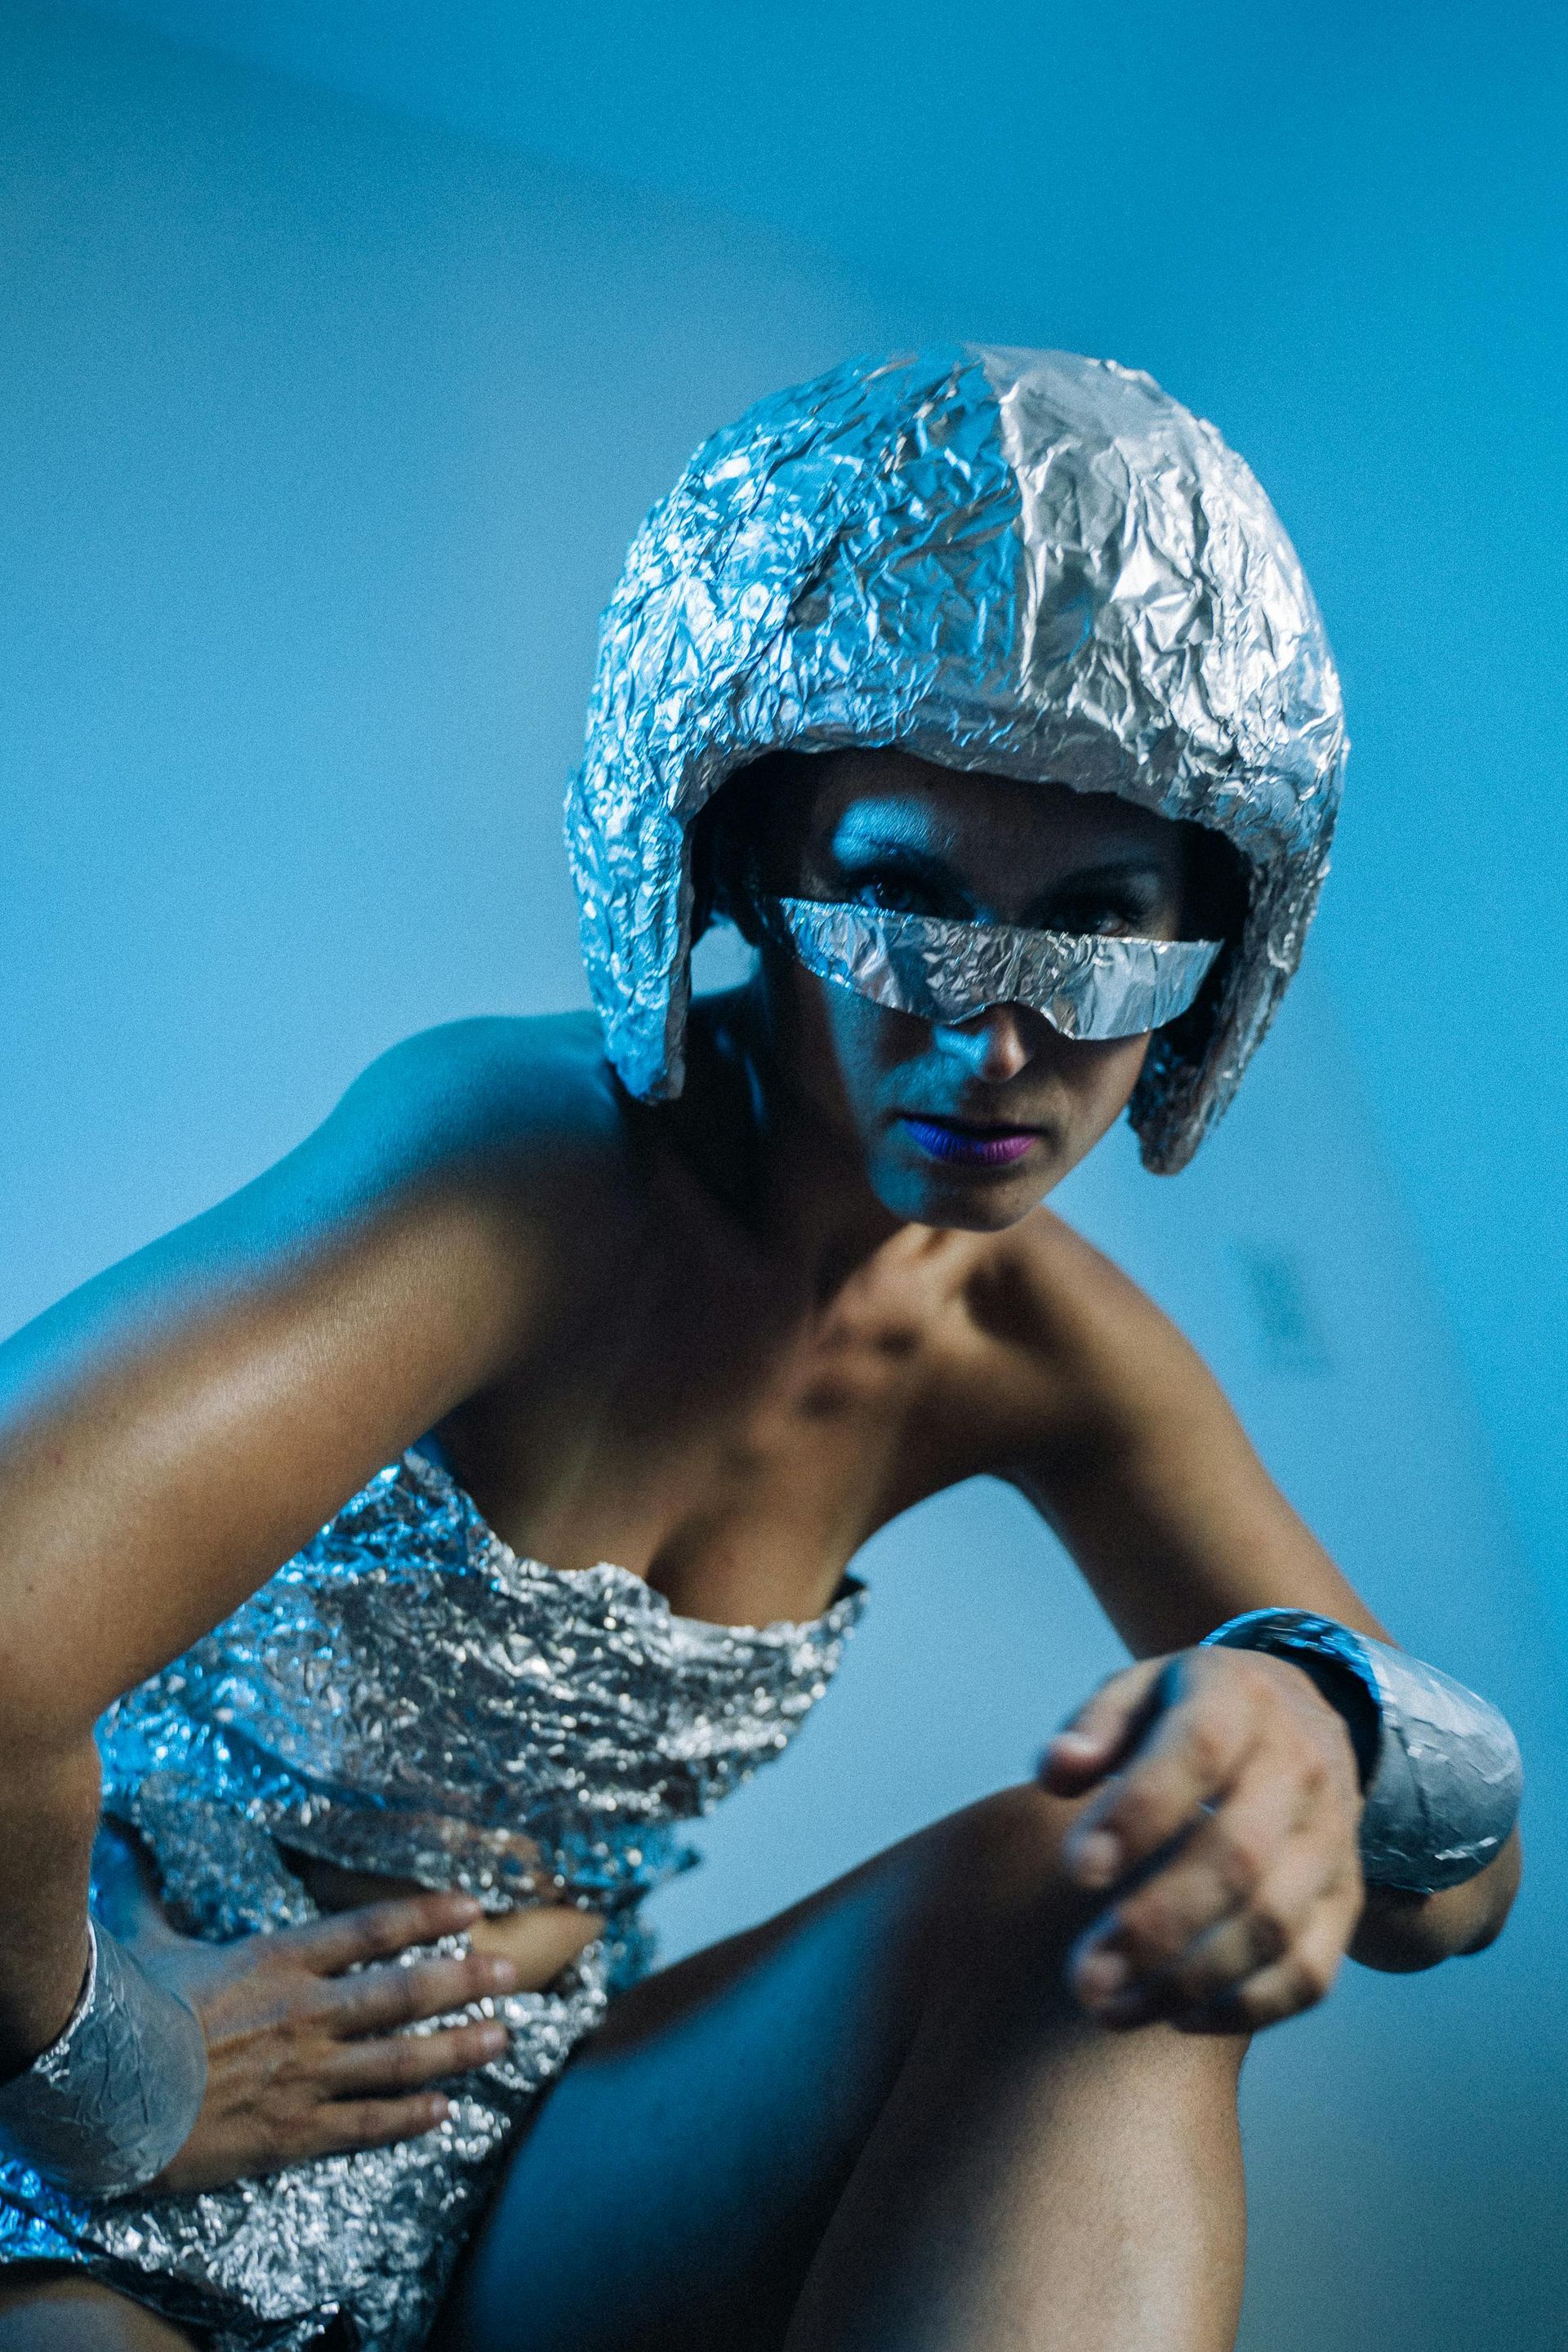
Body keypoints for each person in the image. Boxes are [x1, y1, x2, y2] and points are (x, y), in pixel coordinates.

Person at [0, 347, 1521, 2352]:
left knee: (1100, 1925)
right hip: (121, 2144)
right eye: (902, 904)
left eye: (1098, 933)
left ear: (1214, 950)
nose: (997, 1043)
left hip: (535, 2146)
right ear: (734, 869)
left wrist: (1314, 1723)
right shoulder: (531, 1174)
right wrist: (100, 2068)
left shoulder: (1050, 1346)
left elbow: (1453, 1894)